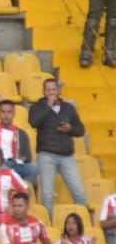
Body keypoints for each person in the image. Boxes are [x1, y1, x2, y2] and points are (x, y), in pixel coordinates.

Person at [29, 78, 87, 214]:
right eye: (48, 90)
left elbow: (81, 130)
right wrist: (47, 107)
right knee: (47, 195)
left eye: (53, 90)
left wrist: (70, 129)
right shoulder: (36, 107)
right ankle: (49, 226)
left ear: (58, 90)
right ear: (43, 92)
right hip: (46, 155)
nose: (51, 93)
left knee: (79, 192)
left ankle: (82, 223)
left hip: (67, 156)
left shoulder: (68, 108)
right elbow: (33, 122)